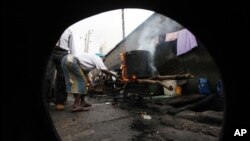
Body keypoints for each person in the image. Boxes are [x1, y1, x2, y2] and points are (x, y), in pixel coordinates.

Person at [45, 28, 76, 110]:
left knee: (62, 78)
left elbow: (72, 47)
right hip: (51, 52)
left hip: (63, 53)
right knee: (47, 76)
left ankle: (60, 101)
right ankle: (45, 101)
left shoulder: (69, 31)